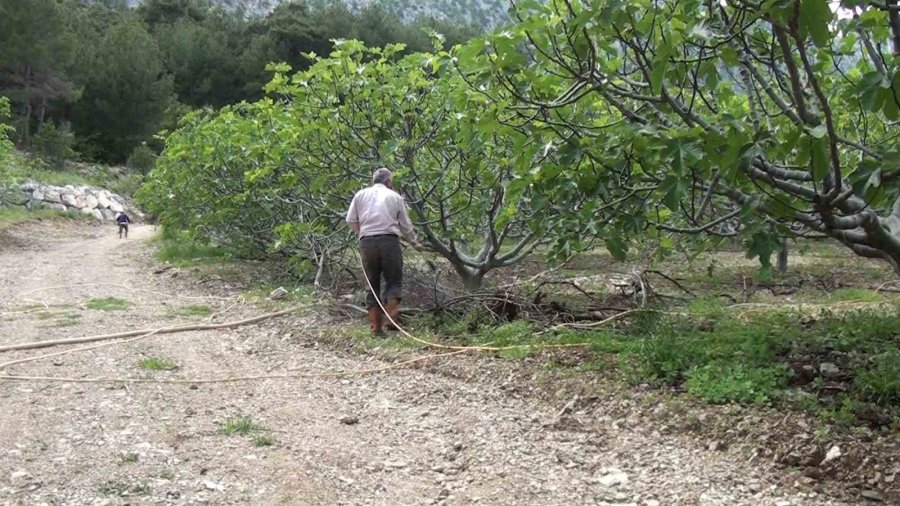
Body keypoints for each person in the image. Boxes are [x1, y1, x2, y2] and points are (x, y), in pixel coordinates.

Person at [346, 167, 420, 335]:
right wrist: (414, 241)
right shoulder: (395, 197)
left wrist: (362, 234)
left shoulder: (360, 195)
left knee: (371, 284)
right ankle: (392, 321)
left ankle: (376, 328)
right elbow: (406, 226)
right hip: (389, 241)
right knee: (393, 281)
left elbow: (350, 220)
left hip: (367, 242)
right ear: (388, 182)